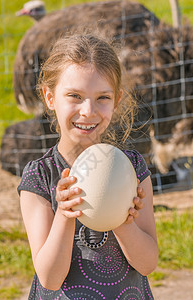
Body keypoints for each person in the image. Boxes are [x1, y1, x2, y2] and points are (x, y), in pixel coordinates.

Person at [18, 34, 158, 299]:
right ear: (49, 97)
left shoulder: (132, 169)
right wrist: (64, 214)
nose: (88, 111)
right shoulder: (39, 177)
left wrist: (123, 220)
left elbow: (148, 263)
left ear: (117, 100)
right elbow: (49, 278)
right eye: (74, 95)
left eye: (102, 97)